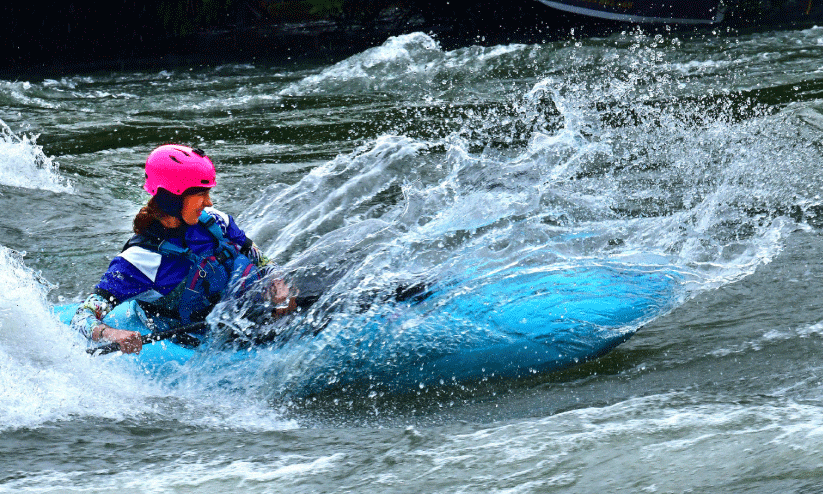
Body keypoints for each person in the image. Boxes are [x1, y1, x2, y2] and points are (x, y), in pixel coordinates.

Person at [71, 144, 297, 354]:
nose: (208, 202)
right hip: (196, 341)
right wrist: (112, 334)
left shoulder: (217, 223)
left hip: (247, 317)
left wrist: (279, 285)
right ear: (173, 199)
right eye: (201, 194)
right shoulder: (140, 261)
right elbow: (82, 317)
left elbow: (263, 262)